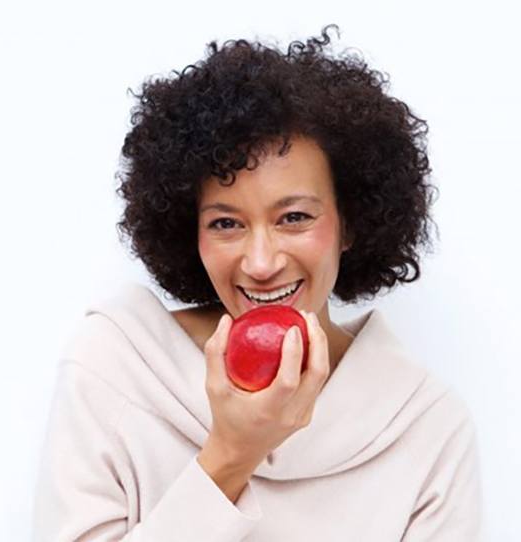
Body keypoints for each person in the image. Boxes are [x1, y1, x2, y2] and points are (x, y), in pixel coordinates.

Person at [31, 24, 483, 541]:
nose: (262, 262)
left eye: (293, 217)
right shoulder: (114, 365)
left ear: (350, 222)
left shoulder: (428, 429)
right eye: (226, 223)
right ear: (190, 231)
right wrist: (230, 456)